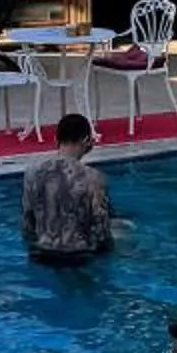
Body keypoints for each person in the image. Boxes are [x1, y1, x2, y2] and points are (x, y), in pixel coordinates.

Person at [22, 112, 112, 265]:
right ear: (86, 140)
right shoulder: (93, 177)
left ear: (56, 139)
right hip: (78, 256)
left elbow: (28, 222)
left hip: (41, 254)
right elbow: (101, 230)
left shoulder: (33, 173)